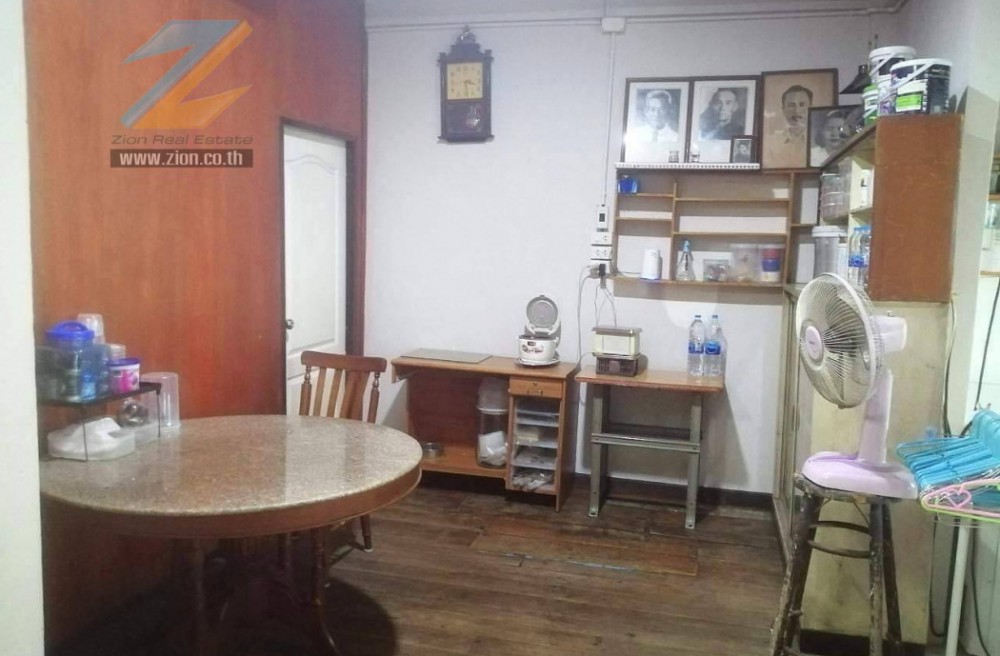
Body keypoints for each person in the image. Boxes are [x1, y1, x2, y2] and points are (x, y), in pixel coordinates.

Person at [764, 84, 814, 168]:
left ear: (811, 108)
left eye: (802, 105)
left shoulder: (819, 141)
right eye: (791, 105)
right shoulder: (770, 143)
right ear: (783, 109)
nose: (797, 111)